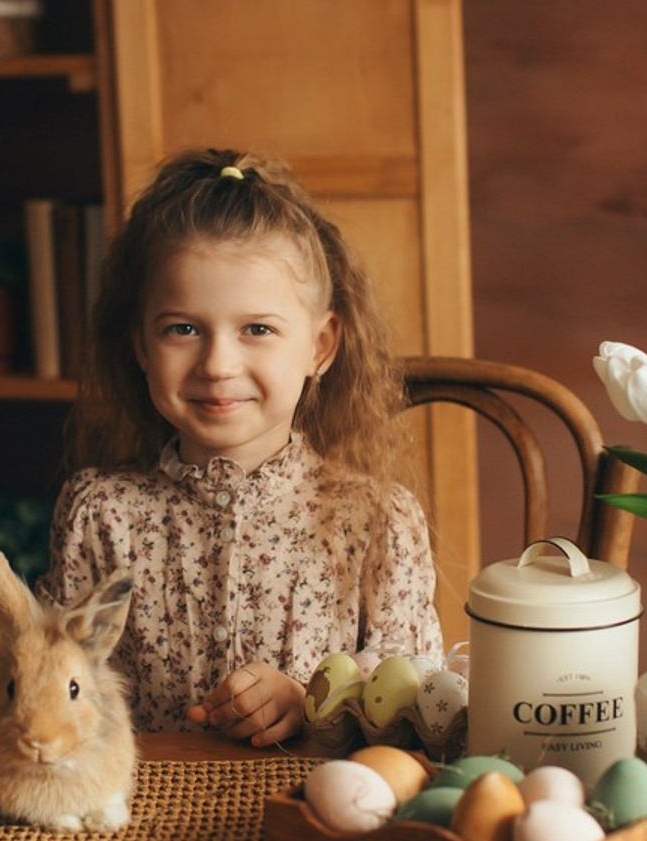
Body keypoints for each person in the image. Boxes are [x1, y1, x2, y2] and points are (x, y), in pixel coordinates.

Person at [35, 146, 442, 746]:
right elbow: (52, 691)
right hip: (141, 799)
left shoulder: (377, 521)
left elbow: (419, 706)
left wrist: (310, 703)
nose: (218, 364)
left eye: (257, 329)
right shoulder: (100, 512)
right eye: (182, 329)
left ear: (320, 347)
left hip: (312, 797)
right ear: (142, 345)